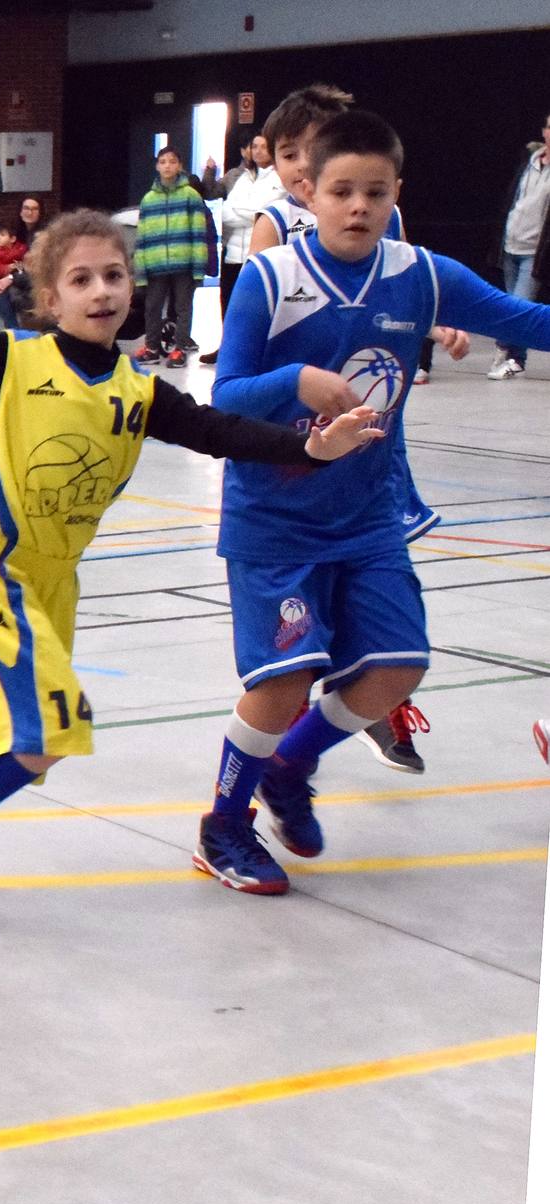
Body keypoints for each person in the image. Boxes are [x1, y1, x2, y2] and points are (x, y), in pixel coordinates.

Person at [0, 189, 381, 917]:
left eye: (113, 274)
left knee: (22, 737)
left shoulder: (139, 391)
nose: (101, 290)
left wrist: (310, 447)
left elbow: (220, 432)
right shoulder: (13, 360)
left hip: (55, 580)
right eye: (80, 279)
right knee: (46, 728)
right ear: (48, 297)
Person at [187, 111, 550, 896]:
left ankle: (291, 767)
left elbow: (525, 320)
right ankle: (223, 827)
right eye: (342, 191)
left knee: (396, 668)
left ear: (395, 195)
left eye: (375, 192)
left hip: (367, 518)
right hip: (277, 518)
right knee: (282, 684)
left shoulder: (422, 275)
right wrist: (296, 383)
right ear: (306, 191)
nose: (358, 206)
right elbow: (225, 398)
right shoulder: (271, 278)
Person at [248, 84, 465, 770]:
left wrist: (438, 317)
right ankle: (247, 793)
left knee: (393, 636)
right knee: (286, 673)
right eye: (286, 155)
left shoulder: (391, 236)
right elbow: (236, 377)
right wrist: (295, 382)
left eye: (304, 151)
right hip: (287, 479)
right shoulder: (275, 242)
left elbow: (397, 295)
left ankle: (367, 697)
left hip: (371, 468)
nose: (296, 167)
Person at [198, 133, 280, 364]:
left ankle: (255, 353)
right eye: (255, 146)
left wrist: (243, 212)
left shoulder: (279, 178)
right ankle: (227, 348)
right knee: (229, 303)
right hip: (232, 252)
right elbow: (225, 210)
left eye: (264, 146)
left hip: (260, 253)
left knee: (254, 307)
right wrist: (247, 212)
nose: (258, 151)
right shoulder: (241, 177)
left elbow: (264, 212)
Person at [133, 146, 212, 367]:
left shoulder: (191, 196)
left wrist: (199, 268)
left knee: (183, 307)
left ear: (180, 166)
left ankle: (180, 347)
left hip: (184, 265)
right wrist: (140, 271)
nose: (167, 165)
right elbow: (142, 238)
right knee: (152, 307)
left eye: (172, 161)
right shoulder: (148, 200)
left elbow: (199, 234)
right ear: (157, 166)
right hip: (156, 265)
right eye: (163, 161)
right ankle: (152, 348)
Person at [488, 113, 549, 381]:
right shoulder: (530, 160)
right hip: (511, 242)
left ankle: (509, 354)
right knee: (511, 306)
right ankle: (515, 356)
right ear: (544, 131)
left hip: (535, 251)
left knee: (519, 308)